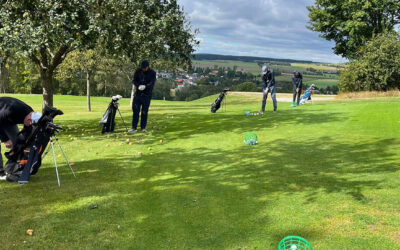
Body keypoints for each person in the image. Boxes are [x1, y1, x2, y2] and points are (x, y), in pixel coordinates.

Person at [0, 97, 41, 179]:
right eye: (30, 123)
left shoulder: (29, 113)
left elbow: (27, 131)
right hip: (2, 115)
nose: (30, 125)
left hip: (7, 120)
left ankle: (16, 167)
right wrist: (5, 139)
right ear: (29, 119)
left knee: (17, 142)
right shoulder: (10, 111)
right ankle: (0, 172)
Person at [129, 60, 156, 133]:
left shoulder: (152, 73)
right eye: (142, 68)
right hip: (138, 94)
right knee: (135, 111)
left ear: (148, 67)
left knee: (144, 112)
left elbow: (152, 83)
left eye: (144, 68)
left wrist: (145, 86)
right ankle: (134, 128)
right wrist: (138, 86)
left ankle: (143, 128)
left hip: (146, 95)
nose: (143, 69)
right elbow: (134, 80)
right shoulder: (138, 71)